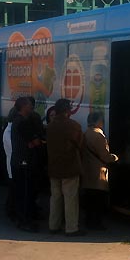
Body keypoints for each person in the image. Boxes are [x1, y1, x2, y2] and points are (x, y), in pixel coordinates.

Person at [46, 98, 84, 236]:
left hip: (53, 167)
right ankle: (71, 228)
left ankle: (53, 225)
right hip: (69, 167)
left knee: (55, 197)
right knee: (70, 198)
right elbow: (80, 144)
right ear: (68, 110)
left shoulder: (49, 126)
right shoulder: (74, 126)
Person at [80, 112, 119, 230]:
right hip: (98, 172)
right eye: (102, 121)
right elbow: (105, 156)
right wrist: (115, 158)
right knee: (98, 200)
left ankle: (88, 221)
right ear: (98, 121)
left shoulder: (85, 133)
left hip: (87, 170)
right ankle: (96, 223)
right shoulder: (99, 135)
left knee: (89, 198)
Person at [10, 96, 43, 231]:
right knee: (25, 192)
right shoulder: (23, 123)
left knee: (21, 192)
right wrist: (34, 143)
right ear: (23, 107)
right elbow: (36, 142)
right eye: (29, 105)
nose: (32, 107)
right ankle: (24, 221)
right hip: (23, 162)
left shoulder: (16, 121)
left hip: (17, 160)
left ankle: (22, 218)